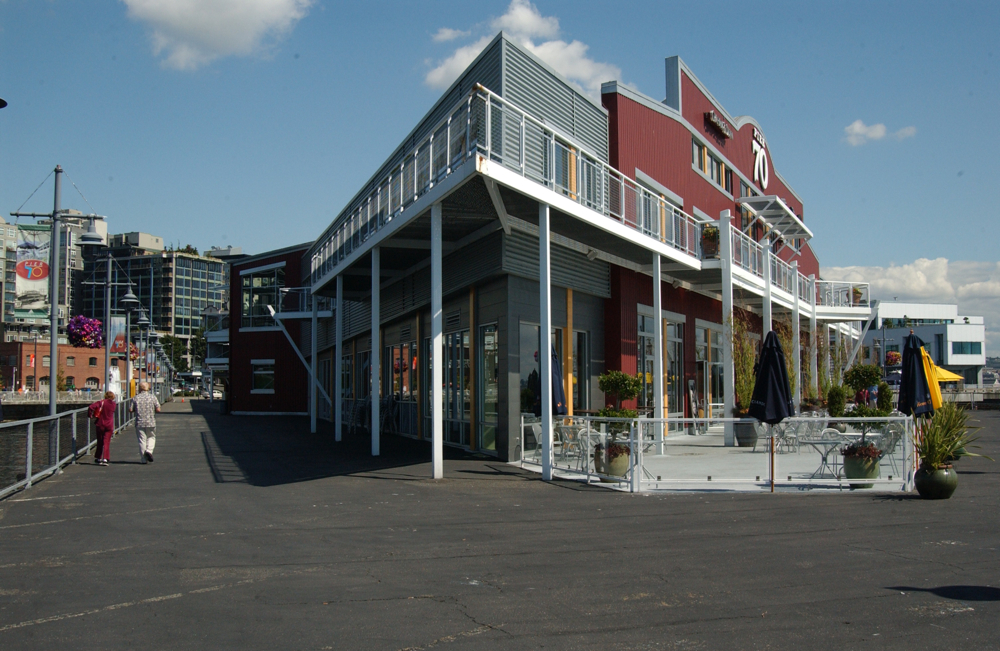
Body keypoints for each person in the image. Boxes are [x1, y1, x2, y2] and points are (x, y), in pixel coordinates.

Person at [131, 381, 161, 463]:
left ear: (140, 388)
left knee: (142, 440)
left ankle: (144, 459)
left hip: (139, 422)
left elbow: (130, 409)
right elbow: (158, 409)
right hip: (150, 421)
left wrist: (135, 410)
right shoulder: (153, 397)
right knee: (151, 437)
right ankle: (149, 451)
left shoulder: (136, 398)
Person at [91, 391, 117, 466]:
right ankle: (105, 458)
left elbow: (91, 407)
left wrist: (90, 414)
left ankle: (99, 457)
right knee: (106, 442)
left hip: (100, 424)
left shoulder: (101, 402)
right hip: (109, 425)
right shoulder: (113, 404)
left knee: (100, 441)